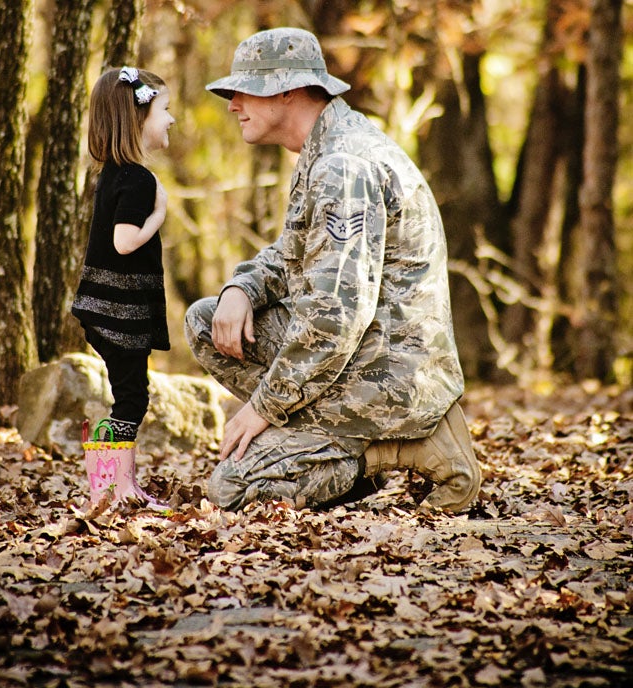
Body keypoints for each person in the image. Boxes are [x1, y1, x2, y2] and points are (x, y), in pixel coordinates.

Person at [185, 28, 481, 513]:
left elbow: (333, 318)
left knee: (232, 491)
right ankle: (321, 445)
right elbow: (291, 256)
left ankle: (399, 446)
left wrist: (262, 409)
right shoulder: (325, 150)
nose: (233, 103)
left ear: (287, 89)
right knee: (207, 320)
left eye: (244, 90)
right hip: (362, 353)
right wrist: (241, 287)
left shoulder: (342, 165)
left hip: (386, 372)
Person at [72, 66, 175, 507]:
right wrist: (159, 216)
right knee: (132, 401)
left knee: (129, 396)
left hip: (104, 309)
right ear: (138, 120)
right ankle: (113, 488)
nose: (171, 120)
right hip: (119, 313)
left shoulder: (113, 174)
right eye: (165, 110)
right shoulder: (137, 178)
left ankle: (117, 486)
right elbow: (124, 241)